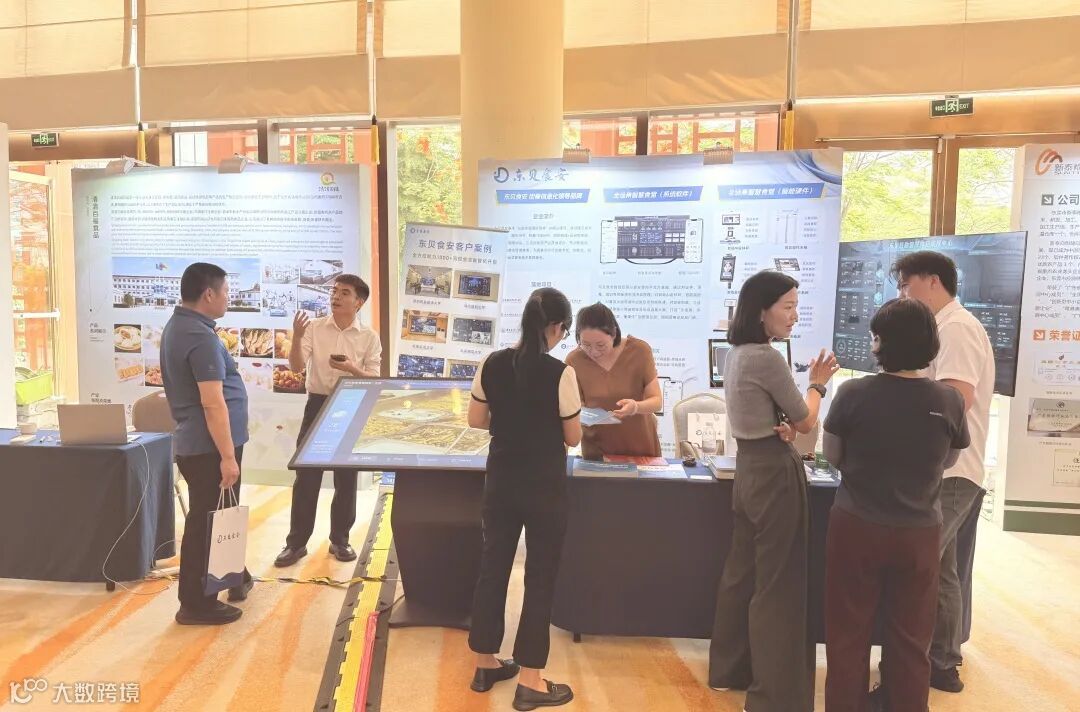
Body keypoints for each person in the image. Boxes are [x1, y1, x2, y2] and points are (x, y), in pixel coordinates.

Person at [823, 298, 970, 712]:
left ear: (880, 342)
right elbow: (949, 460)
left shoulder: (853, 393)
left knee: (848, 634)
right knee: (912, 638)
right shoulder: (948, 400)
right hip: (919, 533)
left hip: (856, 526)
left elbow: (832, 455)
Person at [709, 270, 838, 712]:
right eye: (788, 306)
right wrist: (817, 384)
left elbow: (770, 419)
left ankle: (729, 670)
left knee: (741, 575)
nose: (795, 315)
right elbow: (806, 420)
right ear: (761, 310)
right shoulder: (766, 357)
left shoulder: (736, 354)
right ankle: (773, 695)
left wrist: (784, 425)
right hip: (775, 478)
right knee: (778, 586)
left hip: (749, 469)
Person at [466, 288, 582, 711]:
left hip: (501, 480)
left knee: (492, 566)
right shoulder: (561, 373)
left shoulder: (492, 362)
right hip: (544, 486)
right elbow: (573, 436)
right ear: (557, 327)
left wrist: (511, 422)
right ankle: (531, 679)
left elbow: (476, 419)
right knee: (540, 575)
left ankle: (485, 664)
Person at [893, 251, 995, 694]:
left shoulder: (956, 328)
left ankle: (915, 669)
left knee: (919, 567)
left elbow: (955, 399)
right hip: (946, 468)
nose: (903, 294)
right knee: (943, 570)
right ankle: (942, 661)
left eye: (906, 284)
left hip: (951, 469)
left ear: (932, 281)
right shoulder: (944, 327)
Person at [161, 262, 254, 625]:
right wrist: (228, 456)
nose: (229, 297)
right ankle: (196, 604)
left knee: (218, 515)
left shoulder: (182, 326)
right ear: (209, 294)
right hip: (209, 447)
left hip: (204, 443)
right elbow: (212, 402)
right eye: (227, 291)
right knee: (206, 523)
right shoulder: (197, 336)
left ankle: (235, 574)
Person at [275, 274, 382, 567]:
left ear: (358, 302)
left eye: (344, 293)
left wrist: (351, 369)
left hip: (352, 403)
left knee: (346, 477)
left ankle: (340, 540)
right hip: (318, 403)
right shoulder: (314, 328)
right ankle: (296, 544)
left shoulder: (369, 337)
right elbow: (296, 367)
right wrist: (297, 337)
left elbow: (375, 378)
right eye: (334, 291)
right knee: (306, 476)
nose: (335, 297)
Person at [565, 303, 661, 461]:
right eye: (586, 345)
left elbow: (656, 401)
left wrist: (636, 407)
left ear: (614, 333)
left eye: (601, 345)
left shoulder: (639, 351)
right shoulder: (574, 360)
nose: (594, 352)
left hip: (639, 446)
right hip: (597, 451)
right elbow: (574, 407)